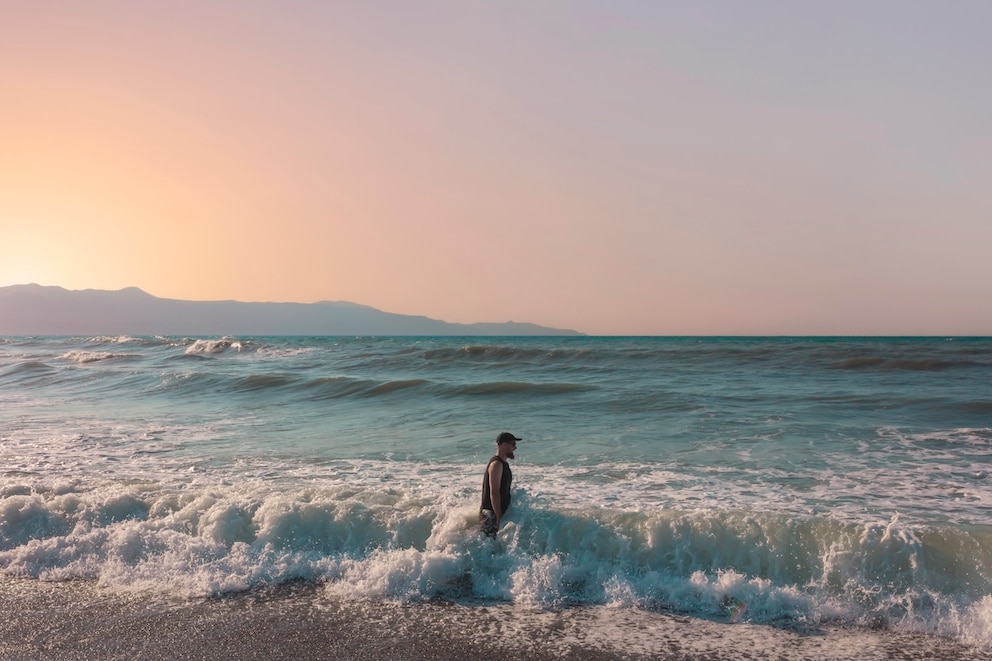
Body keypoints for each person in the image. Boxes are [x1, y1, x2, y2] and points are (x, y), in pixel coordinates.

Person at [480, 431, 521, 538]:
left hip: (496, 514)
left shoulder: (503, 464)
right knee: (488, 547)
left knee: (494, 547)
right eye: (513, 444)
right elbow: (494, 493)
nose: (515, 448)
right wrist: (498, 517)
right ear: (503, 445)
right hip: (490, 514)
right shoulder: (496, 464)